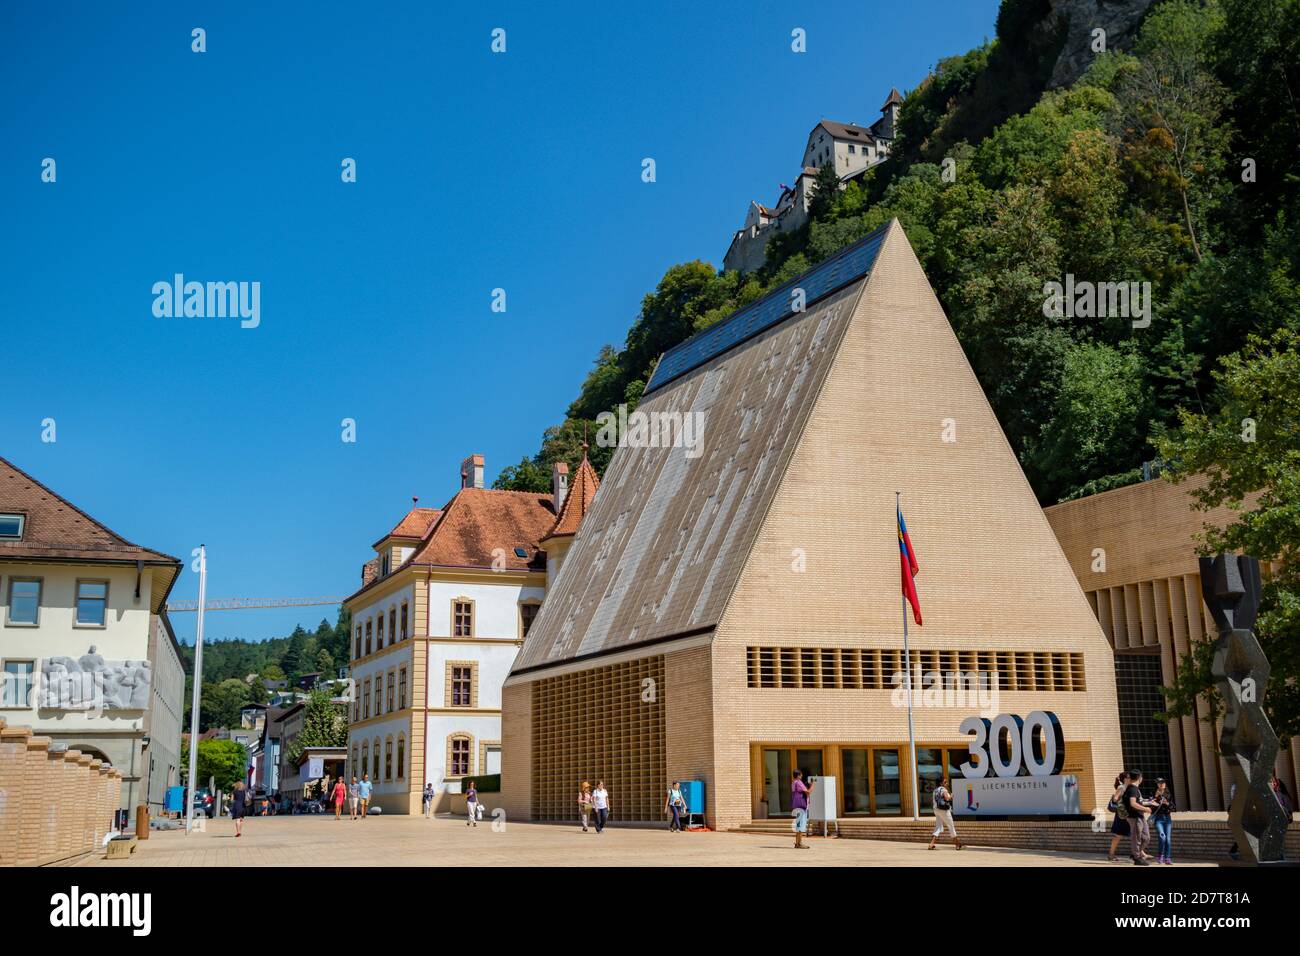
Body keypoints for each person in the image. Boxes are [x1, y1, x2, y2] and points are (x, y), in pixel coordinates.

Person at [1124, 770, 1151, 865]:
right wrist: (1146, 809)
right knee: (1137, 838)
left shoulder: (1134, 789)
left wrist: (1149, 803)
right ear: (1139, 778)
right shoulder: (1132, 789)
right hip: (1134, 817)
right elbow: (1133, 803)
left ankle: (1136, 853)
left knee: (1146, 837)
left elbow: (1138, 802)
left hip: (1140, 816)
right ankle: (1137, 858)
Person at [928, 778, 963, 850]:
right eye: (945, 782)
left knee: (938, 826)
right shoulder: (943, 790)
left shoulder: (935, 790)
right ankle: (957, 844)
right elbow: (947, 798)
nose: (946, 783)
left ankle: (931, 844)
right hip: (944, 810)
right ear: (941, 783)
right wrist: (951, 796)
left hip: (936, 810)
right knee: (951, 826)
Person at [1149, 778, 1175, 864]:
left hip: (1167, 818)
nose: (1162, 784)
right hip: (1158, 819)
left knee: (1168, 839)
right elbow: (1151, 807)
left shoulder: (1168, 794)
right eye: (1159, 783)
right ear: (1156, 784)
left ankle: (1167, 858)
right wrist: (1156, 798)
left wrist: (1167, 803)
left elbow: (1173, 807)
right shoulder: (1153, 794)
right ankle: (1160, 856)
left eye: (1163, 782)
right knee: (1162, 837)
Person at [1107, 772, 1130, 862]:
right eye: (1128, 777)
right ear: (1124, 779)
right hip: (1121, 814)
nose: (1130, 778)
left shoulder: (1129, 787)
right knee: (1118, 835)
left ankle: (1140, 853)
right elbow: (1115, 799)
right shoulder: (1121, 787)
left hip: (1127, 814)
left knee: (1135, 833)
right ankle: (1111, 854)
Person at [791, 770, 813, 849]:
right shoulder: (799, 782)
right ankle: (799, 843)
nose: (802, 776)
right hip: (801, 806)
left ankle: (797, 843)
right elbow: (808, 792)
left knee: (798, 824)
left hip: (797, 806)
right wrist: (813, 785)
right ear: (799, 775)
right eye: (801, 775)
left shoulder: (793, 783)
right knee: (801, 825)